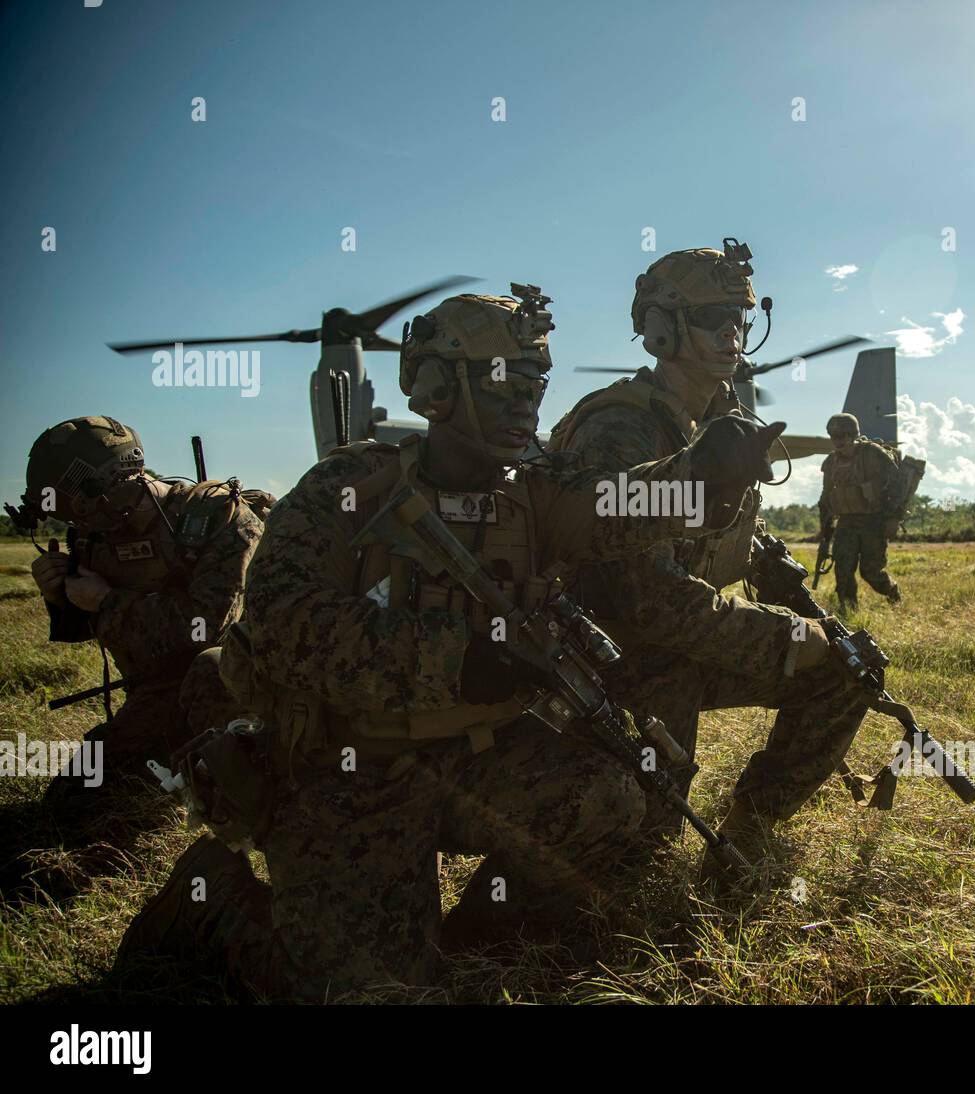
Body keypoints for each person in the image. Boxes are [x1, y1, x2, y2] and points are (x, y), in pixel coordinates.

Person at [116, 285, 780, 999]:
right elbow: (283, 627)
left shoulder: (537, 490)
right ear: (434, 388)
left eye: (535, 382)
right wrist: (455, 660)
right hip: (350, 775)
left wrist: (703, 477)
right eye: (502, 382)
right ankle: (213, 899)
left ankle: (478, 941)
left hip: (472, 760)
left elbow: (619, 506)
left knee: (610, 794)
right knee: (357, 996)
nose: (525, 400)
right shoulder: (349, 488)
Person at [547, 244, 871, 871]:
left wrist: (780, 584)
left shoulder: (725, 415)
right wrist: (785, 637)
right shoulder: (620, 428)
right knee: (643, 843)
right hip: (614, 662)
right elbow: (645, 604)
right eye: (711, 317)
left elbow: (725, 536)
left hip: (679, 644)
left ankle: (751, 823)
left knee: (843, 666)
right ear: (663, 329)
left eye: (740, 317)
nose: (732, 332)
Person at [4, 416, 264, 864]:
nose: (80, 523)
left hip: (236, 690)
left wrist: (107, 601)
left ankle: (244, 793)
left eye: (81, 510)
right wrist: (61, 598)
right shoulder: (94, 535)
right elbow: (94, 628)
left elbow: (206, 627)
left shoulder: (218, 518)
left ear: (111, 484)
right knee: (71, 801)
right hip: (157, 695)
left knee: (215, 696)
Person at [817, 412, 913, 610]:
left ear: (853, 435)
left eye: (842, 436)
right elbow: (826, 497)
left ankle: (892, 591)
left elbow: (898, 485)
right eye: (834, 437)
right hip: (846, 523)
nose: (838, 441)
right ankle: (849, 610)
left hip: (873, 521)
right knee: (843, 569)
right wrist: (825, 528)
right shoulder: (831, 463)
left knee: (870, 572)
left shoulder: (873, 454)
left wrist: (894, 518)